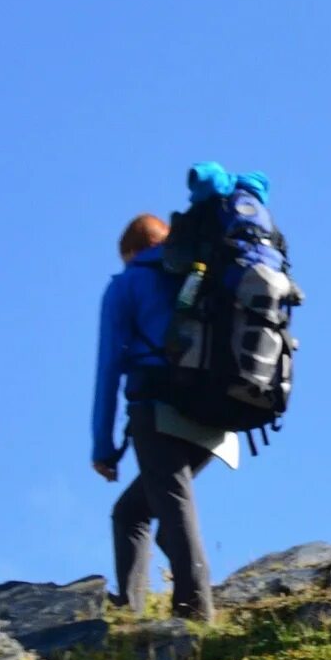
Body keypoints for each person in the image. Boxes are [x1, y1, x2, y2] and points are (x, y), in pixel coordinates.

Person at [96, 211, 227, 624]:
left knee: (173, 503)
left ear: (131, 251)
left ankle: (194, 612)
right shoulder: (203, 272)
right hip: (217, 411)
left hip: (159, 410)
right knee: (132, 512)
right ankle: (130, 607)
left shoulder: (127, 283)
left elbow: (108, 369)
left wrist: (105, 447)